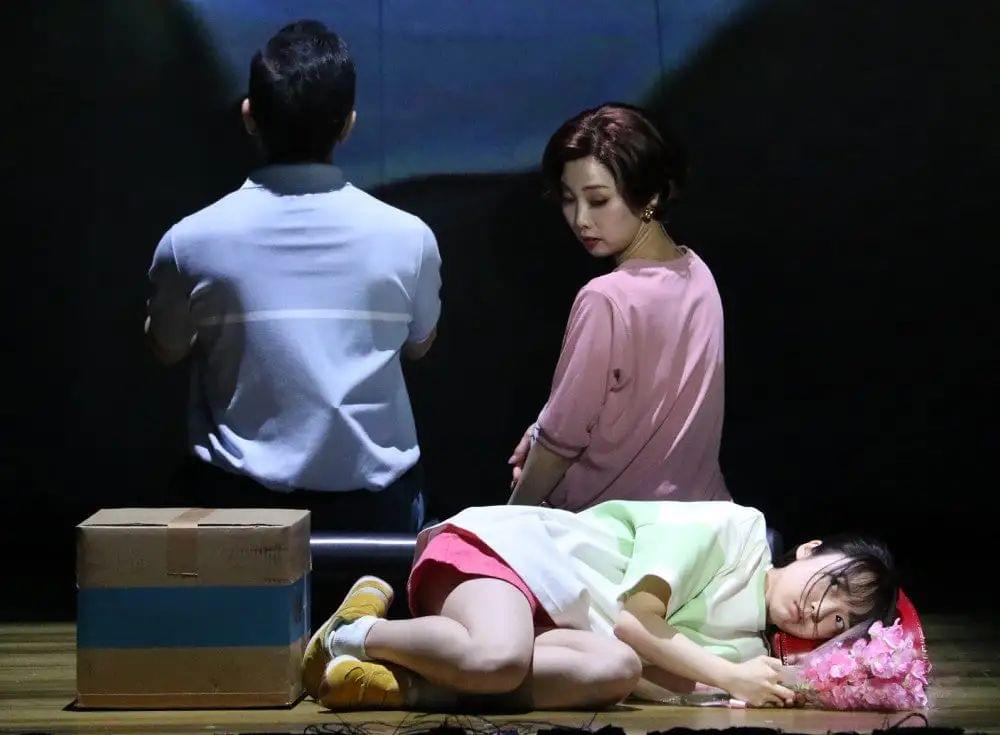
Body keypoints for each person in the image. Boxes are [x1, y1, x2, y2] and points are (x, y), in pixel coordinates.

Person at [144, 20, 441, 532]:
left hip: (235, 508)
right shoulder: (410, 237)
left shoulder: (189, 241)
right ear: (348, 124)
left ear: (250, 116)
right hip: (378, 511)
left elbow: (166, 348)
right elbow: (420, 344)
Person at [302, 500, 898, 710]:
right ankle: (352, 633)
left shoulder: (744, 646)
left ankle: (408, 684)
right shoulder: (733, 529)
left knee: (615, 671)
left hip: (550, 623)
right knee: (499, 658)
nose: (820, 613)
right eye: (832, 585)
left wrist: (801, 686)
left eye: (839, 622)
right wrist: (730, 677)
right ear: (809, 550)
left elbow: (652, 673)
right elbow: (636, 621)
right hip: (511, 557)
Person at [508, 103, 730, 510]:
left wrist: (510, 519)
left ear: (651, 195)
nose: (580, 219)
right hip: (700, 519)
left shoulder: (605, 298)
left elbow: (561, 443)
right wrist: (542, 428)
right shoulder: (698, 272)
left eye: (598, 200)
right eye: (568, 199)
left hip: (613, 528)